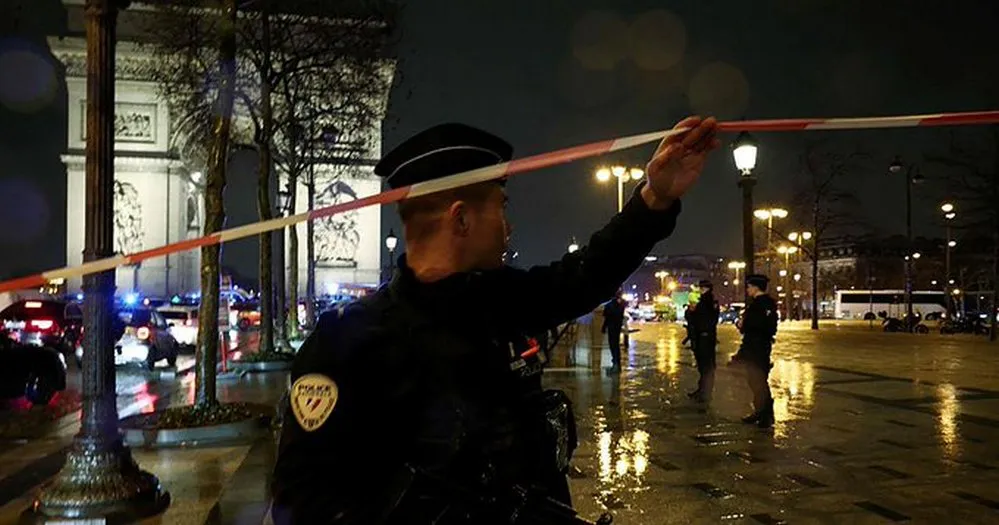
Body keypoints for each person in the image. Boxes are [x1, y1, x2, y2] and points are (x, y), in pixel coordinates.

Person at [270, 117, 720, 523]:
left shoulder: (501, 298)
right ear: (461, 219)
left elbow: (588, 273)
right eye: (501, 207)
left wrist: (656, 197)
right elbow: (302, 500)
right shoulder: (349, 342)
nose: (508, 227)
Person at [730, 274, 779, 428]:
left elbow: (753, 326)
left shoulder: (759, 305)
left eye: (749, 286)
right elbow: (770, 327)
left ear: (756, 287)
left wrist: (742, 324)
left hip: (756, 347)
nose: (747, 289)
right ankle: (761, 412)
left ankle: (765, 415)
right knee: (756, 381)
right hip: (759, 346)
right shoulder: (767, 304)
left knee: (758, 381)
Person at [687, 280, 719, 402]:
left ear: (704, 288)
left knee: (705, 366)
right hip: (707, 336)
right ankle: (703, 390)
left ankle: (704, 392)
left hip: (704, 337)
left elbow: (697, 319)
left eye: (700, 288)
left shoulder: (705, 302)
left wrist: (691, 311)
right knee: (706, 365)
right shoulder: (710, 301)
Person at [601, 290, 627, 373]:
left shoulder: (609, 306)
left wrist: (604, 327)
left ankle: (615, 364)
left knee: (613, 346)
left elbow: (607, 318)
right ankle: (617, 365)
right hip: (617, 328)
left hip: (612, 328)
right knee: (616, 346)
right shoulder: (621, 305)